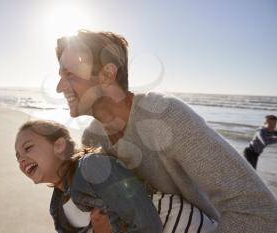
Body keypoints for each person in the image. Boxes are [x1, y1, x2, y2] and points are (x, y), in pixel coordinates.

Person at [55, 30, 277, 232]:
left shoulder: (166, 117)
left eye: (69, 75)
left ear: (106, 75)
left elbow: (256, 210)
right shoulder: (92, 138)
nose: (59, 87)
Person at [14, 120, 217, 233]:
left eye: (28, 148)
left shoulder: (92, 167)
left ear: (58, 146)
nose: (22, 160)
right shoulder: (57, 209)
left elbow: (148, 224)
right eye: (17, 157)